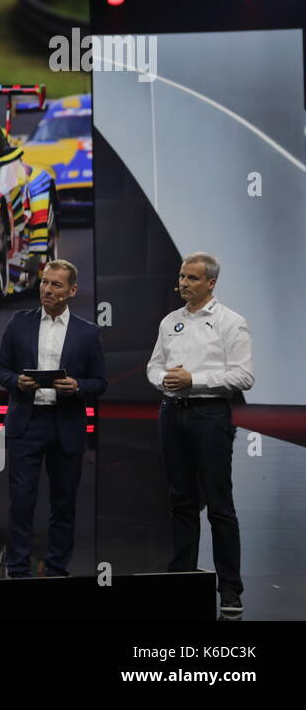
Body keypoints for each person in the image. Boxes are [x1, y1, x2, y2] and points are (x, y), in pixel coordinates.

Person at [146, 252, 254, 616]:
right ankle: (181, 580)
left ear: (211, 283)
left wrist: (196, 380)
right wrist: (165, 379)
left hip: (210, 416)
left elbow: (244, 376)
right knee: (181, 502)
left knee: (220, 506)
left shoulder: (231, 322)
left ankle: (231, 591)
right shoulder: (169, 322)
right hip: (171, 414)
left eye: (192, 278)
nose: (183, 283)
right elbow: (153, 366)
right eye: (181, 277)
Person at [0, 259, 107, 579]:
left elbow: (100, 382)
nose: (47, 289)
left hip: (66, 423)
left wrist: (77, 386)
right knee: (21, 502)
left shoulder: (87, 332)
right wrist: (17, 381)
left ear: (72, 290)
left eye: (56, 285)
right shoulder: (19, 322)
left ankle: (56, 570)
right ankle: (18, 570)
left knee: (64, 504)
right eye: (44, 282)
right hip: (26, 423)